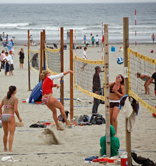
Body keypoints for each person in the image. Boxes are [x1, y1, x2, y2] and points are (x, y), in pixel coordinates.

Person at [0, 86, 22, 152]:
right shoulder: (15, 99)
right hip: (10, 115)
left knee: (5, 133)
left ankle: (5, 148)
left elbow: (0, 107)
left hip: (4, 115)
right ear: (14, 91)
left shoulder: (5, 98)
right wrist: (19, 118)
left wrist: (1, 115)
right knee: (11, 134)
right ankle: (10, 149)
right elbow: (15, 110)